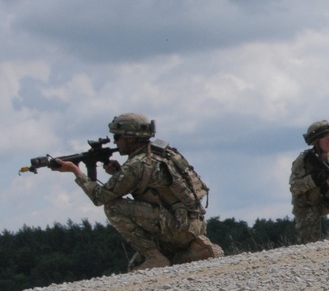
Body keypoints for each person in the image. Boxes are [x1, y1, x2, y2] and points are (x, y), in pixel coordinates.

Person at [52, 113, 221, 271]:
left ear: (130, 138)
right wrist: (119, 174)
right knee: (135, 265)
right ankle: (197, 252)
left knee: (113, 207)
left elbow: (100, 197)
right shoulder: (161, 153)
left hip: (176, 227)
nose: (115, 142)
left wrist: (76, 172)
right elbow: (155, 190)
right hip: (191, 224)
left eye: (117, 137)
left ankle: (155, 257)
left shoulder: (136, 165)